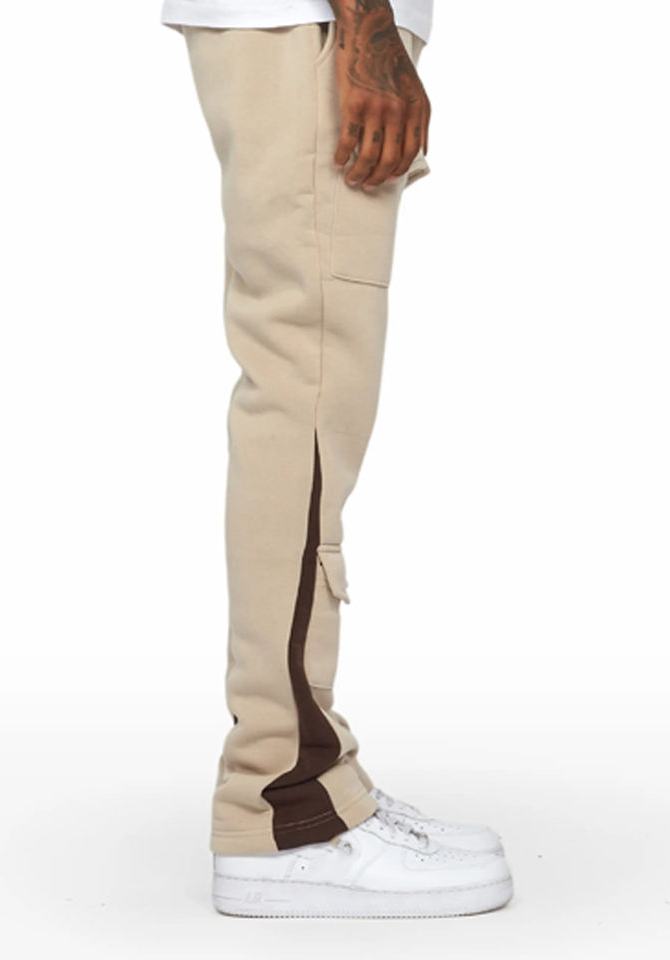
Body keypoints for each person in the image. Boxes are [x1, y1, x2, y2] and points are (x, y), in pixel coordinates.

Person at [163, 0, 514, 917]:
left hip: (307, 27)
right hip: (313, 26)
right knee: (306, 390)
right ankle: (285, 806)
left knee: (310, 386)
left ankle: (317, 778)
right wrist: (368, 27)